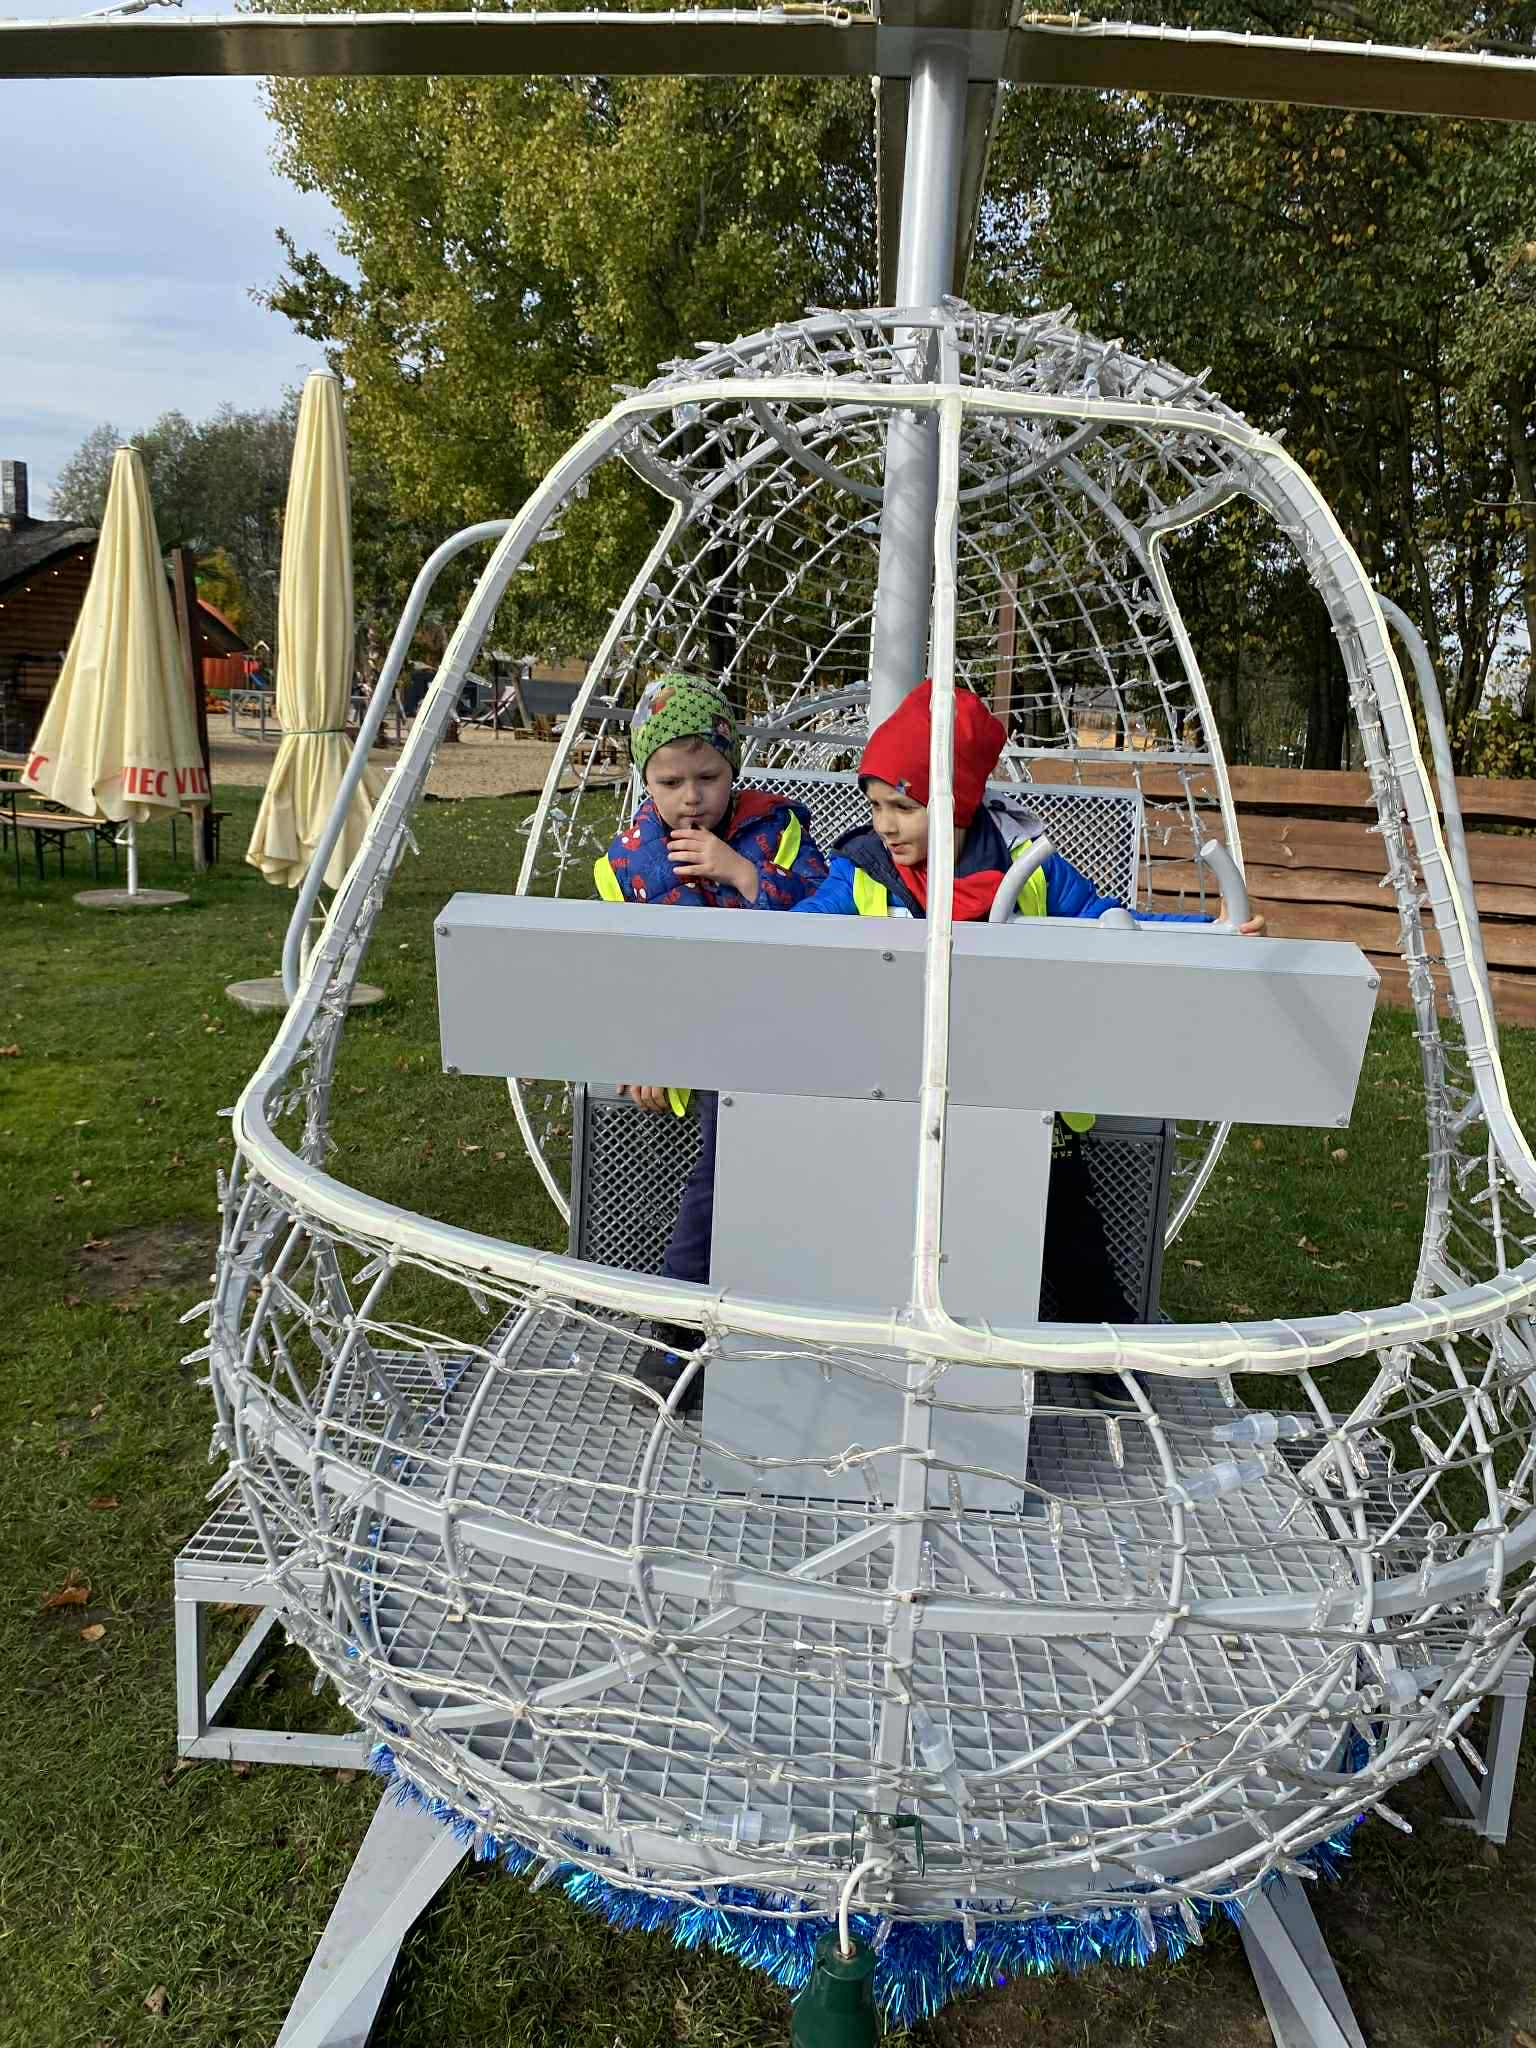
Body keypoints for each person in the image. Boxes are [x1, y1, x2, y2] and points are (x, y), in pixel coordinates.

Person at [791, 680, 1264, 1328]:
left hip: (1020, 1090)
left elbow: (1111, 924)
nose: (884, 825)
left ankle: (1103, 1352)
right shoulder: (863, 871)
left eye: (903, 806)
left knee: (1068, 1231)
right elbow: (800, 933)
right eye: (875, 806)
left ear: (955, 800)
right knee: (885, 1219)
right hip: (898, 1091)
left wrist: (1211, 932)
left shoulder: (1031, 868)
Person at [595, 674, 828, 1409]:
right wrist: (645, 1049)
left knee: (763, 1176)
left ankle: (725, 1329)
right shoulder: (628, 861)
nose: (691, 798)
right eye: (670, 782)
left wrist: (745, 874)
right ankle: (676, 1335)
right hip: (710, 1049)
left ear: (735, 771)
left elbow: (830, 915)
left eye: (708, 778)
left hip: (793, 1033)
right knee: (719, 1179)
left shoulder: (777, 834)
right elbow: (628, 973)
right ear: (644, 781)